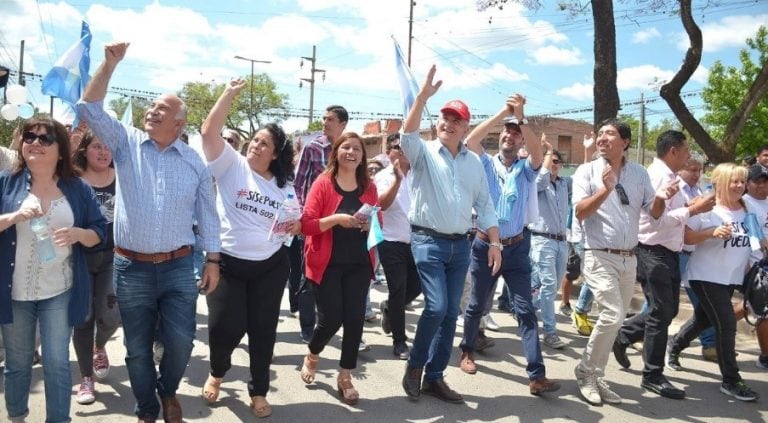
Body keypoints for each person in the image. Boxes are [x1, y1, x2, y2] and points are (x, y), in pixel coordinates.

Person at [79, 42, 221, 423]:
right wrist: (109, 65)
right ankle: (146, 409)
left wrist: (212, 260)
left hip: (177, 268)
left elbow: (208, 215)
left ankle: (168, 390)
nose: (152, 111)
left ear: (179, 124)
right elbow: (89, 109)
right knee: (137, 349)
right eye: (151, 106)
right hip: (131, 268)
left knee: (180, 342)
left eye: (162, 109)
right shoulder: (125, 143)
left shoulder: (194, 162)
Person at [400, 65, 502, 404]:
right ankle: (415, 368)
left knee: (449, 315)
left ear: (465, 127)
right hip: (427, 240)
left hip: (461, 245)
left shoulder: (474, 164)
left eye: (456, 119)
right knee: (437, 306)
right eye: (444, 117)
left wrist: (495, 241)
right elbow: (407, 135)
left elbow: (486, 205)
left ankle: (435, 376)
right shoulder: (424, 152)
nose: (448, 122)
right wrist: (422, 98)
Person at [198, 80, 298, 418]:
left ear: (276, 153)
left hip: (270, 267)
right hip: (226, 264)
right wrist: (228, 94)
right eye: (254, 140)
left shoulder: (286, 187)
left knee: (262, 330)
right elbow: (210, 132)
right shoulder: (231, 164)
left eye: (264, 143)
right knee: (224, 327)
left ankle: (258, 390)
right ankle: (217, 373)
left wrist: (293, 224)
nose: (256, 145)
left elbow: (292, 222)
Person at [0, 118, 107, 423]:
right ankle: (17, 416)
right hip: (15, 291)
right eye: (30, 137)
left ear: (61, 150)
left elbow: (100, 232)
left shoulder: (78, 188)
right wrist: (14, 216)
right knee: (18, 362)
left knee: (57, 362)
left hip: (60, 290)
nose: (35, 142)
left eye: (45, 139)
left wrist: (78, 234)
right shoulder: (6, 183)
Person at [458, 95, 560, 395]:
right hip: (483, 244)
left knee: (526, 310)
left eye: (515, 133)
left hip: (515, 248)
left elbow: (539, 154)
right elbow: (472, 140)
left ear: (521, 142)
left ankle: (536, 375)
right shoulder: (485, 164)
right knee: (477, 304)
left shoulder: (527, 170)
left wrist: (522, 117)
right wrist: (503, 112)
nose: (509, 135)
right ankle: (466, 350)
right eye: (506, 131)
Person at [571, 118, 669, 406]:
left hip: (629, 259)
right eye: (600, 133)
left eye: (609, 134)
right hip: (599, 254)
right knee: (613, 314)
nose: (602, 138)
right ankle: (585, 371)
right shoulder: (585, 171)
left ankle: (597, 375)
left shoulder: (639, 173)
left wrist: (663, 198)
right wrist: (604, 190)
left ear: (625, 142)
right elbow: (579, 212)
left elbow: (653, 211)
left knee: (613, 321)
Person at [611, 130, 714, 400]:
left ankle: (624, 335)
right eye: (686, 150)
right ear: (673, 151)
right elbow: (656, 220)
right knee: (661, 313)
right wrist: (693, 210)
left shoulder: (670, 178)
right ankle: (653, 375)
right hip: (652, 251)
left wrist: (691, 205)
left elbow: (669, 215)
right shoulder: (657, 177)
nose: (688, 155)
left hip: (667, 252)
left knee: (667, 310)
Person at [298, 132, 380, 406]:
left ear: (362, 156)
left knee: (355, 319)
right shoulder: (323, 183)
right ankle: (313, 353)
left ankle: (345, 376)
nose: (351, 152)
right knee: (331, 319)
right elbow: (307, 224)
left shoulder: (368, 185)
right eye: (346, 147)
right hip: (326, 263)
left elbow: (377, 219)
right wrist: (336, 219)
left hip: (358, 263)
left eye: (356, 149)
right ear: (336, 152)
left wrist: (370, 225)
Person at [667, 163, 760, 402]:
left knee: (703, 319)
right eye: (734, 181)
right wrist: (711, 233)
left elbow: (754, 238)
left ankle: (674, 346)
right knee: (726, 324)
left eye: (742, 181)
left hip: (732, 277)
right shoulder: (707, 207)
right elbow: (686, 237)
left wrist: (760, 251)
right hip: (705, 276)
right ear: (720, 182)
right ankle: (731, 380)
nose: (740, 186)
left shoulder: (746, 206)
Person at [71, 131, 121, 406]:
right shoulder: (73, 180)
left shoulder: (122, 179)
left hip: (112, 258)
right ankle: (86, 377)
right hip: (78, 258)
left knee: (111, 316)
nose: (103, 152)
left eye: (108, 147)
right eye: (96, 146)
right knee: (83, 317)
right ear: (85, 150)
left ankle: (99, 346)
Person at [293, 105, 348, 343]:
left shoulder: (350, 149)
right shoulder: (313, 148)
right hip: (315, 225)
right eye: (324, 119)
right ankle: (308, 327)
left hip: (343, 225)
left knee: (337, 278)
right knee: (310, 277)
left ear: (343, 123)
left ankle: (332, 325)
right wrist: (302, 219)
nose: (325, 123)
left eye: (331, 119)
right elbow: (297, 186)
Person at [374, 133, 422, 359]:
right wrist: (397, 179)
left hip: (416, 242)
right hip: (391, 241)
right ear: (388, 152)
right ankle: (400, 341)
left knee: (418, 286)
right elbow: (382, 205)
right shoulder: (383, 176)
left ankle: (389, 308)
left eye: (405, 147)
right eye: (396, 147)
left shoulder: (419, 176)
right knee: (398, 288)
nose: (401, 151)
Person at [529, 142, 571, 350]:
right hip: (542, 239)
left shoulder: (564, 184)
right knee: (548, 284)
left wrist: (588, 149)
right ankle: (550, 331)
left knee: (552, 286)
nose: (553, 164)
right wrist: (546, 152)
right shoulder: (539, 182)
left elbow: (584, 179)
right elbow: (540, 180)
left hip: (562, 241)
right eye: (550, 161)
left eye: (557, 161)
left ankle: (528, 305)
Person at [677, 158, 718, 362]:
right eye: (691, 169)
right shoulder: (676, 188)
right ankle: (636, 333)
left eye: (699, 170)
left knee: (703, 303)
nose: (696, 174)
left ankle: (709, 344)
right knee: (661, 302)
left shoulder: (700, 190)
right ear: (681, 169)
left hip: (696, 254)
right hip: (677, 253)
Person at [734, 164, 768, 372]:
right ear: (748, 184)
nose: (762, 186)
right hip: (754, 265)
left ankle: (716, 323)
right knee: (764, 310)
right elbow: (754, 239)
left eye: (765, 182)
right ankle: (765, 356)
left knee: (750, 306)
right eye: (757, 182)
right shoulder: (744, 205)